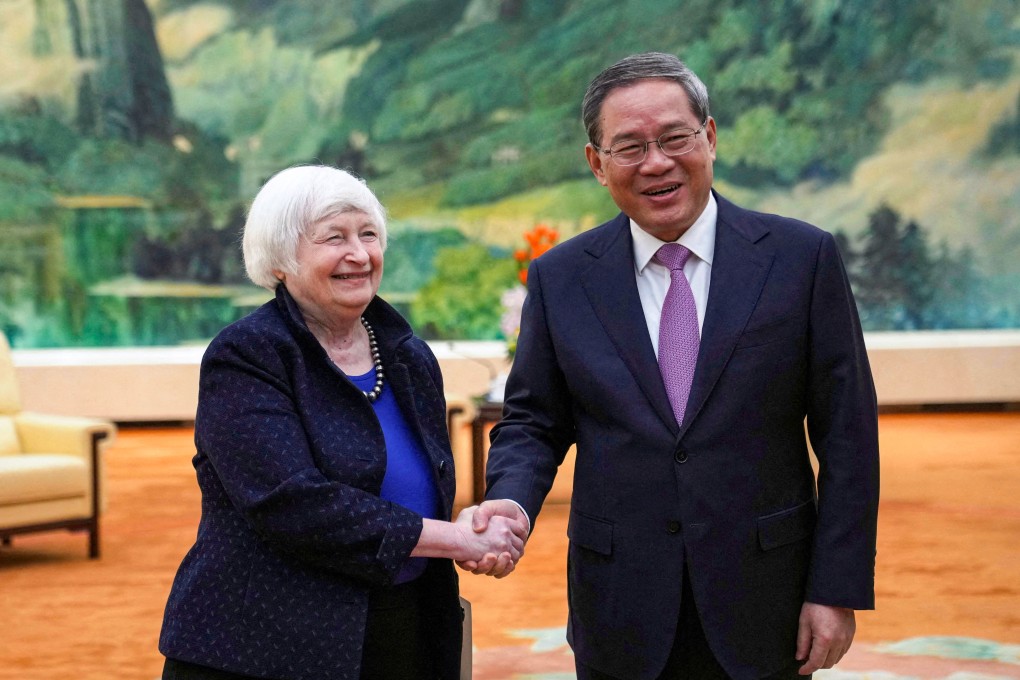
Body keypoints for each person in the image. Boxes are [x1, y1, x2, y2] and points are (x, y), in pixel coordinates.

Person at [463, 52, 880, 679]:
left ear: (708, 138)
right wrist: (512, 502)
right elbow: (533, 421)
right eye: (628, 147)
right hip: (619, 606)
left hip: (766, 599)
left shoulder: (800, 258)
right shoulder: (562, 276)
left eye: (674, 138)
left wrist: (836, 588)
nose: (656, 162)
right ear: (597, 165)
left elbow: (848, 435)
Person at [159, 165, 526, 680]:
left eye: (368, 234)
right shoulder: (247, 355)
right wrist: (456, 539)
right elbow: (291, 502)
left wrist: (471, 525)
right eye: (335, 238)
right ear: (282, 259)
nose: (359, 254)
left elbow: (422, 487)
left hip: (404, 628)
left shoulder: (408, 355)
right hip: (265, 646)